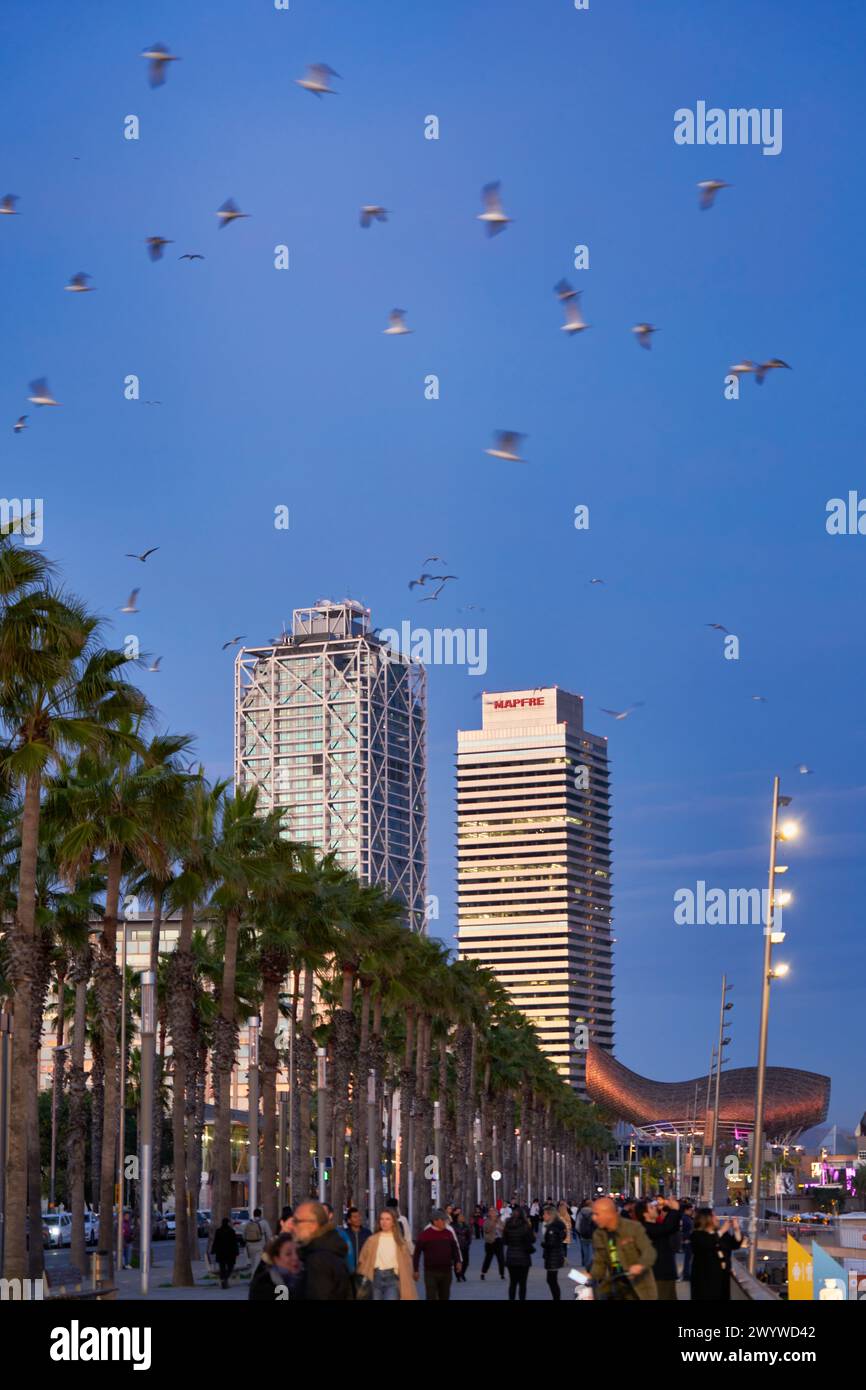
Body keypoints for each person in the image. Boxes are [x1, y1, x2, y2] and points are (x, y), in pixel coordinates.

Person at [590, 1197, 657, 1300]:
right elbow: (599, 1262)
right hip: (614, 1287)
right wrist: (591, 1276)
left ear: (609, 1214)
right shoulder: (598, 1234)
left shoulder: (633, 1227)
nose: (594, 1218)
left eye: (597, 1214)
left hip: (639, 1287)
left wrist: (640, 1265)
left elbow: (649, 1252)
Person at [291, 1201, 353, 1300]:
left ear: (313, 1224)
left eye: (297, 1221)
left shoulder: (319, 1260)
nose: (293, 1227)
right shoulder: (323, 1250)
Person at [357, 1209, 418, 1300]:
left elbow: (407, 1265)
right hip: (375, 1277)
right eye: (382, 1219)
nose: (384, 1222)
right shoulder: (372, 1240)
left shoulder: (400, 1242)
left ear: (393, 1222)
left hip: (392, 1279)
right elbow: (362, 1261)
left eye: (387, 1219)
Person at [689, 1208, 743, 1301]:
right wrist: (722, 1231)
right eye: (714, 1216)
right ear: (706, 1219)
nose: (717, 1218)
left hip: (722, 1277)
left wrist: (736, 1229)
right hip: (705, 1279)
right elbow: (707, 1243)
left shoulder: (722, 1234)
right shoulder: (697, 1235)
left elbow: (734, 1245)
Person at [636, 1196, 681, 1301]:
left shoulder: (654, 1226)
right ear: (645, 1214)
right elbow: (667, 1228)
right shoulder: (645, 1227)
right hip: (658, 1275)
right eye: (651, 1208)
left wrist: (672, 1211)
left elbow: (670, 1227)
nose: (655, 1208)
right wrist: (674, 1210)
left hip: (664, 1274)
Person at [413, 1208, 462, 1300]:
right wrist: (416, 1270)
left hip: (446, 1271)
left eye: (445, 1220)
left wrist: (458, 1261)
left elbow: (455, 1248)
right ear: (435, 1221)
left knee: (444, 1296)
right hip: (431, 1272)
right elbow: (417, 1253)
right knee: (431, 1296)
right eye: (442, 1220)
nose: (445, 1222)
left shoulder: (448, 1233)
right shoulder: (425, 1235)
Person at [248, 1232, 301, 1301]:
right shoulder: (263, 1285)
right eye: (288, 1254)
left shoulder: (306, 1278)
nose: (295, 1257)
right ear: (276, 1258)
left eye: (298, 1252)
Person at [503, 1206, 535, 1301]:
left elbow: (505, 1241)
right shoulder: (526, 1225)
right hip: (523, 1257)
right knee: (522, 1283)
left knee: (512, 1283)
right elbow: (532, 1240)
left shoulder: (508, 1225)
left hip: (511, 1256)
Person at [338, 1206, 372, 1294]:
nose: (358, 1219)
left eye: (359, 1216)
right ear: (349, 1220)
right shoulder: (344, 1234)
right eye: (355, 1217)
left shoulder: (367, 1233)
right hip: (347, 1273)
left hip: (364, 1272)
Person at [541, 1203, 567, 1300]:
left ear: (550, 1215)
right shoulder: (555, 1226)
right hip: (556, 1256)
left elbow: (551, 1244)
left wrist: (544, 1244)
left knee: (551, 1280)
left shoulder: (552, 1228)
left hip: (553, 1257)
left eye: (544, 1214)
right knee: (552, 1280)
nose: (543, 1216)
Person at [212, 1217, 240, 1290]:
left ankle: (223, 1279)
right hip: (230, 1253)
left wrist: (213, 1250)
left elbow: (215, 1241)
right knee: (230, 1267)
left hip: (220, 1253)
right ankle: (225, 1279)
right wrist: (236, 1252)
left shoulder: (218, 1231)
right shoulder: (231, 1231)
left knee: (222, 1268)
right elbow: (234, 1243)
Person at [244, 1206, 272, 1272]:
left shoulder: (249, 1223)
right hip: (260, 1246)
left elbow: (244, 1235)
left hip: (249, 1246)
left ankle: (252, 1276)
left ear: (253, 1214)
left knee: (253, 1264)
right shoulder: (264, 1223)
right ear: (260, 1214)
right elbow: (269, 1235)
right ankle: (254, 1278)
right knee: (257, 1265)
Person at [480, 1206, 505, 1280]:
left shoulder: (500, 1220)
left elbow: (504, 1228)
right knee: (488, 1258)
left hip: (499, 1240)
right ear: (489, 1213)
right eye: (491, 1211)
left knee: (501, 1258)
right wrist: (493, 1224)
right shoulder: (486, 1221)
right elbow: (486, 1230)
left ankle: (502, 1274)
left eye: (494, 1211)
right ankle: (483, 1273)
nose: (493, 1213)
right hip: (490, 1241)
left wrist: (500, 1227)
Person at [451, 1208, 472, 1281]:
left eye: (463, 1217)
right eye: (460, 1217)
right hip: (457, 1246)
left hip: (465, 1246)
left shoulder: (466, 1226)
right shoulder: (453, 1226)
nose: (462, 1218)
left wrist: (468, 1242)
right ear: (457, 1218)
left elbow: (469, 1235)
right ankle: (458, 1276)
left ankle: (462, 1273)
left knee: (466, 1261)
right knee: (457, 1261)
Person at [576, 1198, 595, 1269]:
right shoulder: (594, 1212)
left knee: (584, 1248)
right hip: (592, 1233)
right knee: (592, 1249)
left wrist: (579, 1232)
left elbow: (577, 1224)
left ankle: (585, 1262)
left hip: (583, 1234)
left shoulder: (581, 1212)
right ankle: (591, 1263)